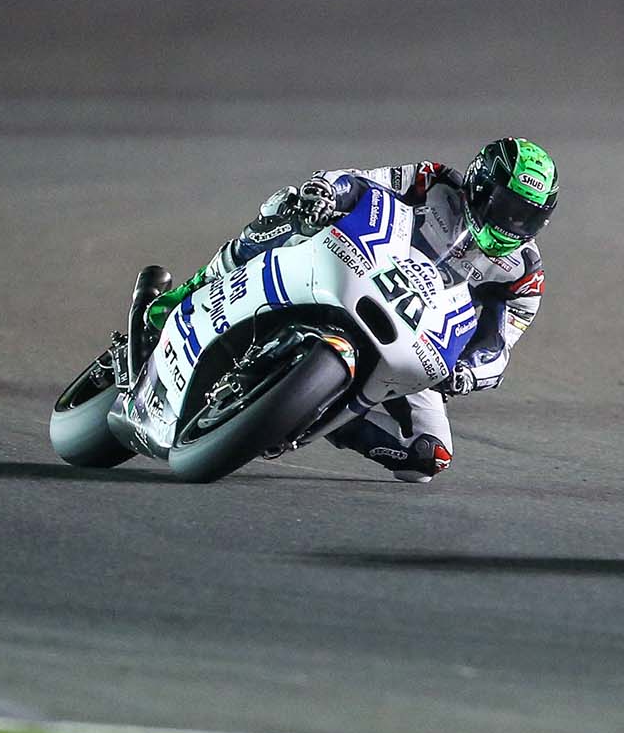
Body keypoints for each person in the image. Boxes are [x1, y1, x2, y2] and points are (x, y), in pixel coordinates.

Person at [151, 138, 557, 482]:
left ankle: (311, 414)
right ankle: (194, 288)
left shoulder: (523, 273)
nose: (513, 223)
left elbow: (498, 344)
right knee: (285, 207)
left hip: (416, 335)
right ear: (481, 185)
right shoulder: (433, 180)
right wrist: (326, 193)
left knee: (428, 457)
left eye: (527, 218)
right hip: (357, 264)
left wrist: (468, 373)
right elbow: (362, 181)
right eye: (507, 207)